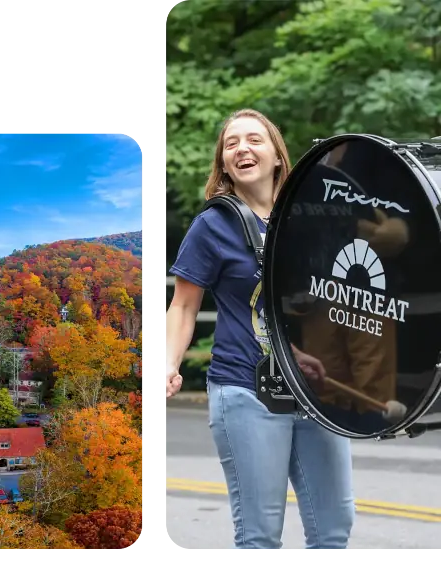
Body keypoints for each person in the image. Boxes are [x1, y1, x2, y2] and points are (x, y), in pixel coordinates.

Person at [162, 108, 353, 552]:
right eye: (232, 144)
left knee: (333, 532)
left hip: (318, 390)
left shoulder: (314, 218)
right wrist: (170, 363)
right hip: (245, 389)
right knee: (260, 537)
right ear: (224, 164)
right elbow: (184, 305)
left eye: (254, 140)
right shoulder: (213, 224)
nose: (243, 149)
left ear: (277, 155)